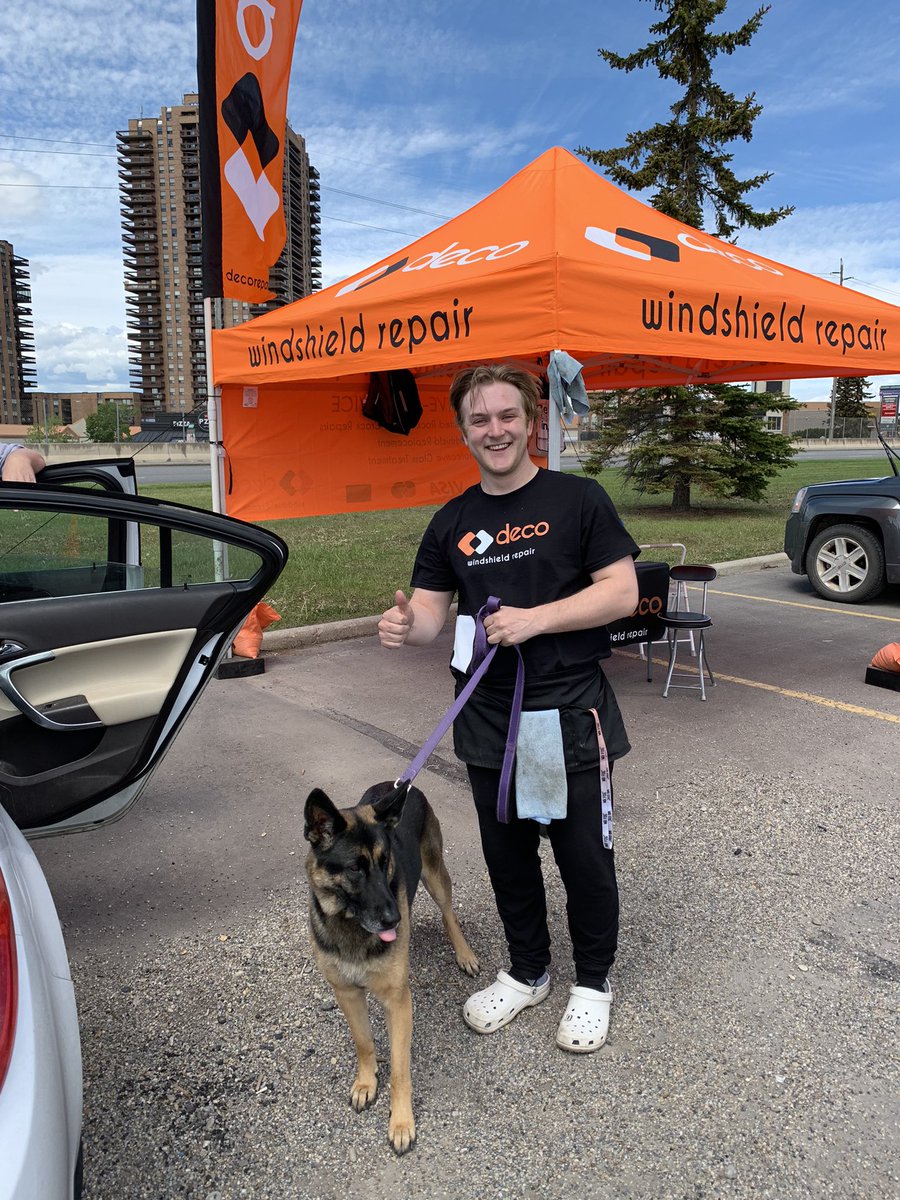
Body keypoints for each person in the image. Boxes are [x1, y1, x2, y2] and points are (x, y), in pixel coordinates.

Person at [378, 363, 639, 1054]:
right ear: (463, 431)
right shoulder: (453, 521)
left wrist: (536, 619)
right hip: (489, 717)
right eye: (479, 419)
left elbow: (620, 591)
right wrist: (408, 627)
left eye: (506, 416)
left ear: (530, 422)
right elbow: (431, 614)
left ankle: (592, 984)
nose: (494, 430)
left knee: (582, 857)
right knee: (508, 856)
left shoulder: (578, 499)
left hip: (564, 713)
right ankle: (528, 972)